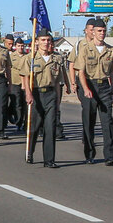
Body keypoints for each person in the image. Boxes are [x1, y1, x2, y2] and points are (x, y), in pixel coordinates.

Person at [75, 17, 113, 165]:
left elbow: (112, 73)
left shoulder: (110, 50)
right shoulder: (85, 49)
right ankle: (89, 153)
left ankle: (110, 156)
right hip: (90, 86)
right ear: (92, 32)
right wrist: (85, 89)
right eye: (99, 31)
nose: (102, 33)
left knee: (108, 122)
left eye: (104, 31)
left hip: (104, 87)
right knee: (89, 121)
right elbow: (80, 72)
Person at [25, 31, 70, 167]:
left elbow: (57, 82)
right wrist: (28, 93)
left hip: (50, 94)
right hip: (36, 94)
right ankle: (30, 152)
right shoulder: (30, 58)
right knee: (34, 126)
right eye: (43, 40)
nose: (46, 42)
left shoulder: (57, 59)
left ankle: (49, 160)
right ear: (37, 41)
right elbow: (25, 77)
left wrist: (57, 100)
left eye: (48, 40)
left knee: (50, 127)